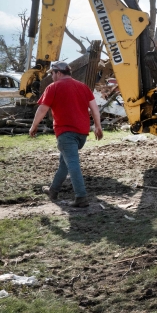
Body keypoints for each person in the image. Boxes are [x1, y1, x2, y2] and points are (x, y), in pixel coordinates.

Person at [29, 61, 103, 207]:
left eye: (52, 74)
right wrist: (98, 126)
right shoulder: (83, 87)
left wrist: (34, 126)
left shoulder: (53, 87)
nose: (51, 77)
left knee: (72, 164)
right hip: (82, 133)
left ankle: (81, 197)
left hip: (66, 133)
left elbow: (42, 109)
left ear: (58, 72)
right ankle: (53, 190)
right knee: (65, 163)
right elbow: (94, 108)